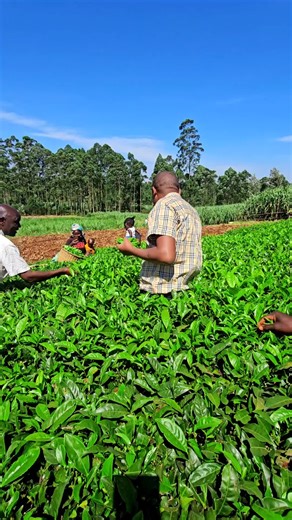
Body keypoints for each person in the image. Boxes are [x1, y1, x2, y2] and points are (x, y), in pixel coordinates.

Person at [118, 171, 202, 296]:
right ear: (179, 191)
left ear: (154, 191)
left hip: (162, 292)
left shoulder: (164, 205)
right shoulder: (191, 210)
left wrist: (131, 250)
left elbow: (166, 255)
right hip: (185, 291)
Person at [0, 204, 71, 283]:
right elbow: (28, 276)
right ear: (2, 221)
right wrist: (62, 271)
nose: (19, 226)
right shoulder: (6, 245)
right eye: (16, 222)